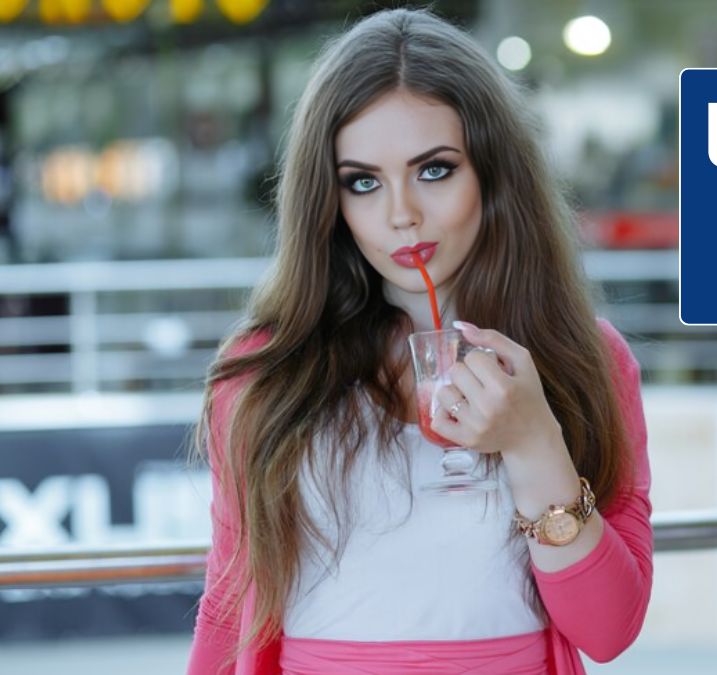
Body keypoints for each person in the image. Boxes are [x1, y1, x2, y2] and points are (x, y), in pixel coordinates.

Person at [186, 8, 652, 675]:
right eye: (363, 181)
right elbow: (228, 608)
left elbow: (607, 628)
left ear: (494, 175)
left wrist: (532, 441)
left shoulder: (589, 359)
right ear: (331, 199)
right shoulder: (266, 370)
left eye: (434, 170)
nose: (400, 212)